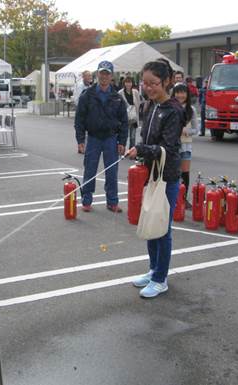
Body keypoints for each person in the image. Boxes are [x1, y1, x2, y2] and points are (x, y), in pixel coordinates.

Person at [127, 59, 184, 298]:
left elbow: (168, 148)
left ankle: (161, 279)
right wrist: (139, 148)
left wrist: (141, 150)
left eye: (154, 84)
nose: (149, 88)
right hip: (150, 175)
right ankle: (153, 270)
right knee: (150, 222)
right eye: (145, 83)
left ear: (167, 82)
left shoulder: (173, 111)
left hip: (167, 177)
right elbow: (147, 139)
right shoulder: (150, 106)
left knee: (162, 228)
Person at [74, 60, 128, 213]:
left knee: (112, 172)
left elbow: (124, 122)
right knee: (89, 170)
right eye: (102, 73)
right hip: (93, 138)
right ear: (97, 74)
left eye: (107, 73)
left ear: (111, 76)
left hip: (111, 138)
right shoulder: (87, 95)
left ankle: (112, 202)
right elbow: (79, 119)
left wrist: (122, 141)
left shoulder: (117, 97)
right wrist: (80, 140)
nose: (104, 76)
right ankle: (86, 200)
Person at [173, 83, 198, 209]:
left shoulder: (191, 110)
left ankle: (183, 198)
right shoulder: (170, 107)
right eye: (178, 92)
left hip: (186, 145)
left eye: (183, 92)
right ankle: (172, 197)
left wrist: (186, 131)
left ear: (187, 94)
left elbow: (196, 130)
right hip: (172, 145)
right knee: (172, 172)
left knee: (185, 173)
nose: (180, 95)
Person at [118, 76, 143, 148]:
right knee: (124, 135)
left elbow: (138, 103)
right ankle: (122, 149)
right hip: (124, 117)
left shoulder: (135, 92)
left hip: (134, 117)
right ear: (124, 83)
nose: (128, 84)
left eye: (130, 82)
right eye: (127, 82)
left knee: (133, 136)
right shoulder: (120, 93)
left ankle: (131, 150)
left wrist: (136, 112)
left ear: (132, 83)